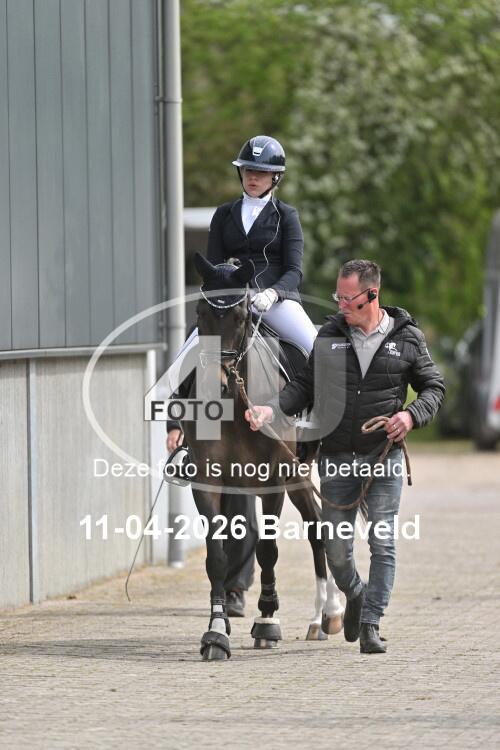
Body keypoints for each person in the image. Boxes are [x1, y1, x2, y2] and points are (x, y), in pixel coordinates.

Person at [245, 259, 445, 653]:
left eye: (347, 299)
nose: (340, 305)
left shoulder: (407, 337)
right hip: (337, 457)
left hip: (383, 457)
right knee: (336, 550)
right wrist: (271, 408)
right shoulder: (330, 335)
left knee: (382, 543)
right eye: (337, 297)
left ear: (372, 295)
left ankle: (370, 623)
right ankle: (355, 592)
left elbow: (434, 388)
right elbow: (304, 386)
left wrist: (410, 415)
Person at [166, 135, 318, 616]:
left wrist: (272, 293)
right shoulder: (224, 215)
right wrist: (226, 290)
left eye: (261, 172)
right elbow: (212, 266)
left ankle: (312, 428)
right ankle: (185, 437)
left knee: (313, 348)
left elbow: (293, 269)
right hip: (229, 303)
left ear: (275, 177)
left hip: (273, 301)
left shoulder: (286, 216)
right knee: (186, 358)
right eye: (248, 171)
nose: (253, 177)